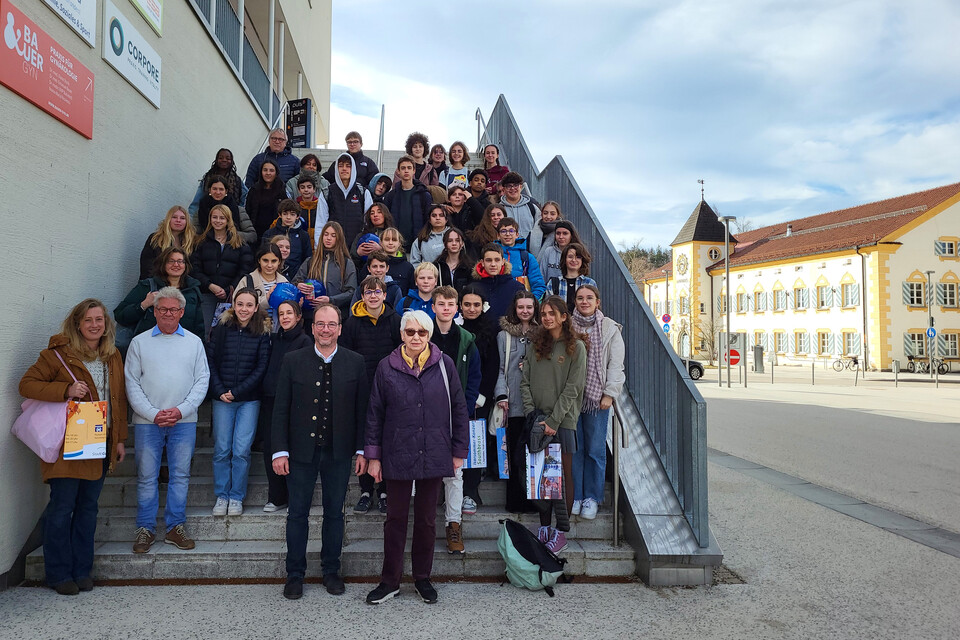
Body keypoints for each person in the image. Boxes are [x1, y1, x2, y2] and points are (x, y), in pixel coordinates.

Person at [19, 299, 128, 595]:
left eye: (99, 320)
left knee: (88, 509)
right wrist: (65, 390)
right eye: (89, 320)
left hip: (100, 442)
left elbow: (118, 398)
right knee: (62, 508)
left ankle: (82, 570)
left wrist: (119, 438)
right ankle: (58, 574)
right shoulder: (57, 355)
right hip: (68, 444)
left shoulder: (112, 355)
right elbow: (26, 384)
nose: (95, 325)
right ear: (77, 324)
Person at [364, 310, 469, 605]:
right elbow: (374, 414)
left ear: (429, 335)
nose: (415, 338)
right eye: (410, 332)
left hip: (434, 450)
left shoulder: (445, 364)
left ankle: (423, 578)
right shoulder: (386, 367)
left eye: (421, 333)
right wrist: (374, 456)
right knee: (395, 519)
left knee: (425, 520)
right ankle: (390, 581)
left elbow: (459, 409)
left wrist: (459, 451)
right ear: (401, 334)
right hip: (397, 451)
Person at [271, 303, 369, 599]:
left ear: (340, 328)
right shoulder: (292, 360)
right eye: (320, 324)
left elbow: (362, 411)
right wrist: (279, 451)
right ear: (312, 327)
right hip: (300, 452)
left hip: (338, 453)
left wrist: (363, 450)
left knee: (334, 514)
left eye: (332, 324)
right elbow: (280, 410)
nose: (326, 329)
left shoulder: (356, 362)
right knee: (297, 514)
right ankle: (295, 575)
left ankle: (331, 571)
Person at [125, 288, 209, 556]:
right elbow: (131, 383)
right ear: (154, 311)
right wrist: (152, 413)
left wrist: (180, 410)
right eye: (163, 309)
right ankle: (145, 529)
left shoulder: (194, 343)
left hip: (184, 421)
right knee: (147, 476)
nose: (168, 314)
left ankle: (175, 527)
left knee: (180, 476)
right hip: (147, 422)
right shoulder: (139, 343)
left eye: (174, 310)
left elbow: (202, 381)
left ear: (182, 312)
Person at [521, 296, 587, 554]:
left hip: (563, 421)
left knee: (562, 476)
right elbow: (524, 381)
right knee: (540, 476)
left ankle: (562, 531)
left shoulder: (576, 347)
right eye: (544, 313)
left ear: (563, 316)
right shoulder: (536, 344)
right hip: (537, 420)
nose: (547, 317)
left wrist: (554, 420)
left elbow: (573, 388)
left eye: (552, 313)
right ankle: (544, 527)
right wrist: (531, 414)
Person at [207, 288, 271, 517]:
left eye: (249, 305)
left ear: (256, 308)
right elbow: (210, 362)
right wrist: (220, 390)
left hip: (248, 400)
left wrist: (238, 391)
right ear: (234, 305)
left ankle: (236, 496)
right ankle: (221, 494)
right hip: (222, 398)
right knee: (222, 449)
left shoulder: (262, 333)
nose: (244, 309)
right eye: (240, 304)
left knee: (241, 451)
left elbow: (261, 367)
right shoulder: (221, 330)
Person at [341, 276, 402, 514]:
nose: (373, 296)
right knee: (365, 443)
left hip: (390, 391)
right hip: (362, 390)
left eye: (378, 292)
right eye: (369, 292)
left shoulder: (395, 321)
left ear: (385, 295)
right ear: (362, 296)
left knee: (387, 441)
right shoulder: (352, 323)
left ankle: (385, 491)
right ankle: (366, 491)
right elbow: (346, 357)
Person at [430, 287, 481, 554]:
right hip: (424, 414)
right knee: (423, 472)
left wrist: (466, 407)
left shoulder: (466, 340)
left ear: (456, 308)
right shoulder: (422, 335)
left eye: (450, 304)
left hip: (455, 414)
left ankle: (454, 525)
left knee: (455, 472)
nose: (446, 308)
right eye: (441, 304)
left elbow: (474, 379)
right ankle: (424, 526)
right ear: (434, 307)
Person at [570, 284, 625, 520]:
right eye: (580, 298)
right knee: (575, 450)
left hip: (596, 399)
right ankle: (576, 495)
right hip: (571, 399)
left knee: (594, 450)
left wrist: (610, 394)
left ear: (597, 302)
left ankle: (592, 497)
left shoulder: (610, 328)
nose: (584, 302)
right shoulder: (566, 326)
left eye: (589, 298)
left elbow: (616, 365)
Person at [257, 300, 313, 514]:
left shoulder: (305, 341)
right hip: (271, 400)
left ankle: (295, 498)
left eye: (290, 313)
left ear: (298, 316)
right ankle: (277, 497)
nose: (286, 317)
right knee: (272, 448)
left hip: (296, 403)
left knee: (295, 452)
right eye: (281, 314)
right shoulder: (273, 339)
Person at [495, 290, 540, 513]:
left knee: (534, 454)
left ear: (535, 309)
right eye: (521, 307)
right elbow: (501, 368)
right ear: (515, 308)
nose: (525, 311)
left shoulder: (542, 335)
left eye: (529, 307)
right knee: (513, 454)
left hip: (535, 403)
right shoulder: (504, 335)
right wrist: (501, 394)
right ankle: (514, 501)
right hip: (512, 403)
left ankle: (534, 501)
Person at [459, 286, 501, 513]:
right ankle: (453, 490)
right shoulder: (454, 328)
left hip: (478, 400)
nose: (471, 309)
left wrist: (481, 396)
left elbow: (493, 366)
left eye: (476, 305)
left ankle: (471, 492)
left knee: (475, 446)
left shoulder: (491, 330)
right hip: (453, 399)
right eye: (467, 304)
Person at [115, 247, 206, 339]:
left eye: (180, 261)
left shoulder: (192, 290)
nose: (176, 264)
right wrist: (144, 305)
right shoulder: (147, 286)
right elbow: (120, 315)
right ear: (163, 264)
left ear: (186, 265)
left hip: (181, 347)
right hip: (149, 345)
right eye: (171, 261)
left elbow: (199, 328)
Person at [192, 204, 254, 335]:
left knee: (227, 333)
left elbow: (245, 269)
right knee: (206, 331)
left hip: (230, 295)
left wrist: (229, 288)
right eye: (215, 217)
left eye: (222, 218)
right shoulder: (201, 242)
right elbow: (195, 269)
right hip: (207, 294)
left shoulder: (240, 243)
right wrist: (210, 285)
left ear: (228, 220)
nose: (218, 221)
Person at [294, 221, 357, 317]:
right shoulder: (310, 261)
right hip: (312, 316)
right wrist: (298, 285)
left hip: (337, 315)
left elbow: (351, 292)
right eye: (326, 234)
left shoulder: (346, 263)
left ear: (339, 238)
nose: (328, 238)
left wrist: (331, 300)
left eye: (333, 235)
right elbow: (294, 282)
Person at [383, 155, 433, 249]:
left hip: (417, 244)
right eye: (403, 168)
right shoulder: (391, 196)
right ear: (398, 171)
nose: (406, 171)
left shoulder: (424, 195)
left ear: (414, 171)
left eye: (409, 168)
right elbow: (387, 220)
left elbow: (428, 220)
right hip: (395, 245)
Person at [138, 206, 200, 280]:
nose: (178, 220)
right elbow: (147, 266)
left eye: (182, 218)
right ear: (168, 219)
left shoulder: (194, 242)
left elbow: (194, 268)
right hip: (157, 283)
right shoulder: (155, 239)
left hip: (184, 285)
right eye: (174, 217)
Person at [326, 153, 374, 247]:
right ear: (336, 169)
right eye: (341, 166)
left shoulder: (363, 192)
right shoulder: (327, 192)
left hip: (356, 247)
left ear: (353, 169)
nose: (344, 169)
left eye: (348, 166)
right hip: (333, 246)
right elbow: (321, 223)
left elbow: (368, 222)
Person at [469, 244, 525, 322]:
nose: (493, 264)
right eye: (488, 260)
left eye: (497, 260)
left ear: (503, 261)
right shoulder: (472, 288)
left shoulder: (517, 288)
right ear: (482, 262)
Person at [236, 245, 288, 329]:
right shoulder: (247, 280)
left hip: (278, 331)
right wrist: (266, 299)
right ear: (259, 260)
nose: (269, 265)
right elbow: (236, 304)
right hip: (251, 330)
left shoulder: (285, 283)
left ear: (279, 262)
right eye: (265, 260)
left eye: (274, 261)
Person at [261, 199, 314, 278]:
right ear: (280, 215)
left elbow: (307, 259)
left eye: (292, 214)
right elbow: (262, 256)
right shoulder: (269, 234)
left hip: (296, 278)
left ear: (298, 216)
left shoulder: (303, 235)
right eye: (285, 214)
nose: (288, 217)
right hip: (273, 276)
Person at [497, 217, 547, 299]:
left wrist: (530, 304)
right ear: (498, 235)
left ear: (517, 234)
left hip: (521, 307)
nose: (508, 234)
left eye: (511, 231)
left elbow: (539, 286)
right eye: (503, 231)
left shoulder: (527, 257)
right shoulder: (492, 256)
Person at [189, 148, 247, 216]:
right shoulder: (207, 178)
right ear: (216, 160)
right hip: (207, 216)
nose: (224, 160)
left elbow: (245, 196)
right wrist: (191, 220)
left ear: (232, 161)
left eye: (228, 158)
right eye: (221, 158)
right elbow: (196, 203)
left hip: (229, 217)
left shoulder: (237, 181)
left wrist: (237, 212)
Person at [245, 159, 288, 241]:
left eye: (271, 170)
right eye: (265, 170)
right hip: (256, 232)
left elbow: (286, 209)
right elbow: (248, 210)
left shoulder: (282, 189)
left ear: (276, 173)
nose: (268, 173)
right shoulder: (254, 189)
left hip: (276, 232)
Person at [546, 243, 597, 312]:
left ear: (583, 260)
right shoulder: (553, 283)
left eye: (578, 257)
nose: (574, 260)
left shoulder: (589, 283)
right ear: (564, 259)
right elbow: (549, 309)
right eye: (570, 257)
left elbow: (594, 309)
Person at [498, 172, 540, 241]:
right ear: (504, 189)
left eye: (516, 185)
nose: (512, 188)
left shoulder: (532, 207)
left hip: (528, 249)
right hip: (506, 249)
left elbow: (539, 229)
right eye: (509, 186)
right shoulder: (499, 209)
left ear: (521, 187)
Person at [433, 227, 473, 294]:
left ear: (462, 243)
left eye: (457, 240)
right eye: (450, 240)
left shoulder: (470, 267)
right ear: (444, 244)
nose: (454, 243)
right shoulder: (437, 266)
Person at [294, 173, 329, 243]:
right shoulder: (295, 207)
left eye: (309, 187)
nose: (306, 190)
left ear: (314, 189)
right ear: (299, 190)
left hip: (318, 244)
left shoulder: (321, 206)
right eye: (302, 187)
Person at [378, 228, 415, 295]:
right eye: (387, 239)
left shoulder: (408, 267)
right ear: (381, 242)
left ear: (399, 243)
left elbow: (412, 292)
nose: (390, 243)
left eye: (394, 240)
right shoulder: (372, 264)